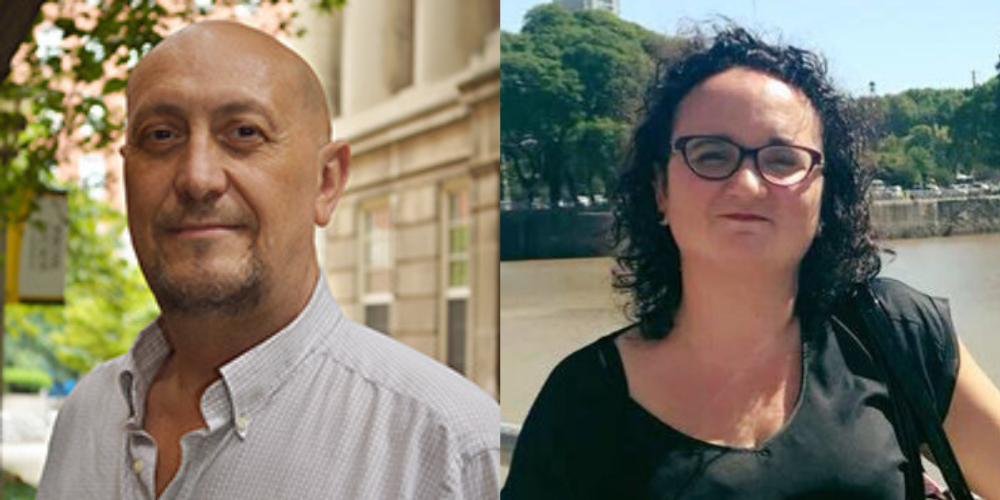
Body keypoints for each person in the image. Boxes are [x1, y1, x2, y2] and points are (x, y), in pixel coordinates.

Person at [502, 26, 1000, 499]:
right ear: (660, 191)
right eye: (711, 154)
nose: (746, 184)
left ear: (827, 198)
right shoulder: (580, 404)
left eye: (783, 159)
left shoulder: (894, 335)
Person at [38, 21, 499, 500]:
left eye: (244, 132)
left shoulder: (448, 449)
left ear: (326, 183)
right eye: (161, 135)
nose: (198, 178)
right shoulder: (87, 413)